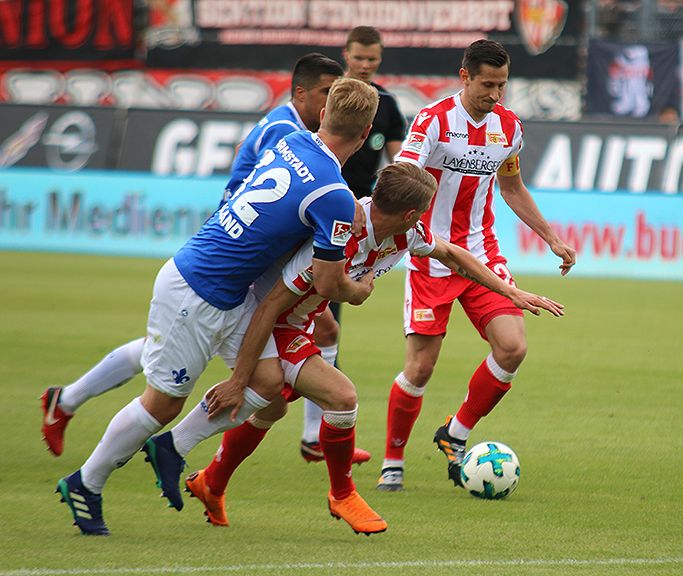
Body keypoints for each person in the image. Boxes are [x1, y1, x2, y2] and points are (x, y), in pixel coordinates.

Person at [55, 77, 380, 536]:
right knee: (162, 403)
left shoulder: (290, 141)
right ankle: (86, 482)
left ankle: (171, 449)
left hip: (229, 286)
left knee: (267, 383)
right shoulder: (335, 196)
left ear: (324, 115)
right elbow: (328, 280)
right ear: (365, 134)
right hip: (197, 289)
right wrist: (359, 289)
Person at [183, 163, 563, 529]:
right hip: (268, 321)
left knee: (271, 407)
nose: (425, 220)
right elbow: (270, 306)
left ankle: (211, 482)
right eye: (425, 212)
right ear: (411, 213)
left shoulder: (406, 233)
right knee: (341, 397)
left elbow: (452, 254)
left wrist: (510, 291)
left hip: (298, 322)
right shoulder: (337, 238)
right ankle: (341, 494)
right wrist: (241, 377)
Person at [38, 52, 349, 455]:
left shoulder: (284, 124)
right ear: (301, 92)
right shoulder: (288, 132)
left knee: (167, 346)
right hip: (240, 254)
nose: (329, 103)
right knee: (310, 339)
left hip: (236, 245)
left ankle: (66, 401)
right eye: (326, 92)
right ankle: (300, 435)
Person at [376, 39, 577, 492]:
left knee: (512, 347)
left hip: (481, 256)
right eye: (487, 84)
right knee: (421, 368)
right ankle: (393, 460)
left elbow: (512, 188)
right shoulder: (432, 121)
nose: (495, 94)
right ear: (464, 76)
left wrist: (551, 238)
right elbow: (401, 180)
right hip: (432, 257)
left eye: (502, 85)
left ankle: (456, 433)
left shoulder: (508, 128)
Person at [300, 25, 408, 465]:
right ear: (347, 55)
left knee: (325, 323)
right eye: (360, 58)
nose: (366, 65)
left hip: (355, 225)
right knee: (313, 322)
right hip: (312, 212)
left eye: (373, 60)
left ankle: (312, 434)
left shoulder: (387, 106)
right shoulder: (332, 100)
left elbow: (400, 164)